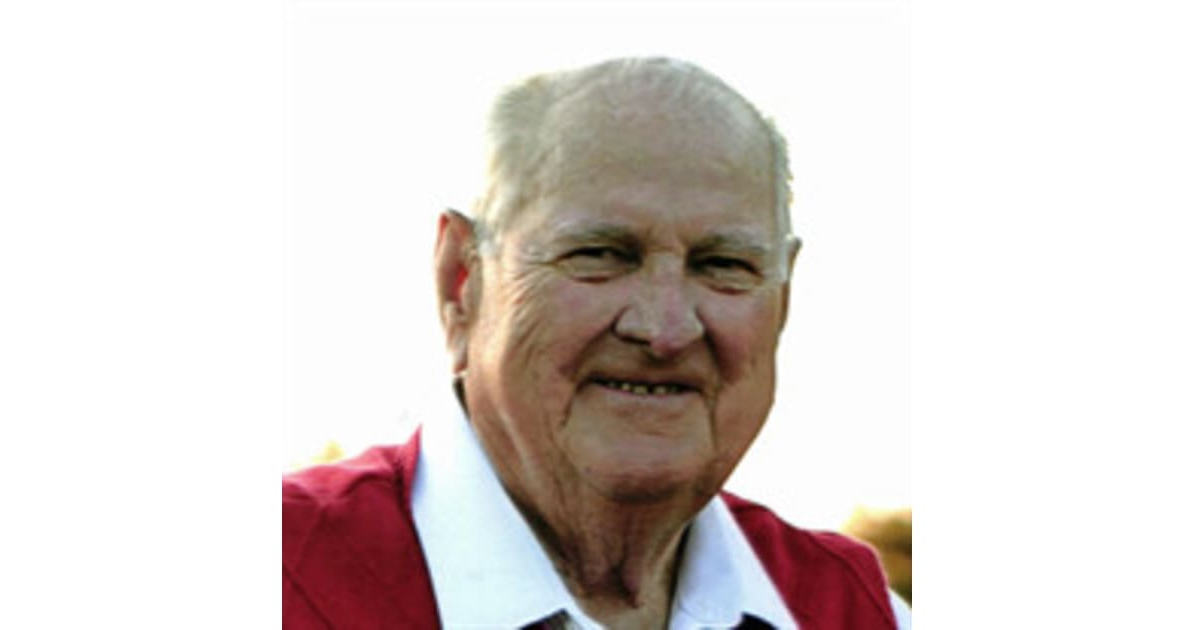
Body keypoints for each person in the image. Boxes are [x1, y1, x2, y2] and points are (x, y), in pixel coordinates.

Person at [283, 56, 912, 629]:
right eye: (600, 254)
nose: (665, 330)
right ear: (461, 282)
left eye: (723, 264)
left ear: (783, 298)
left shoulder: (855, 611)